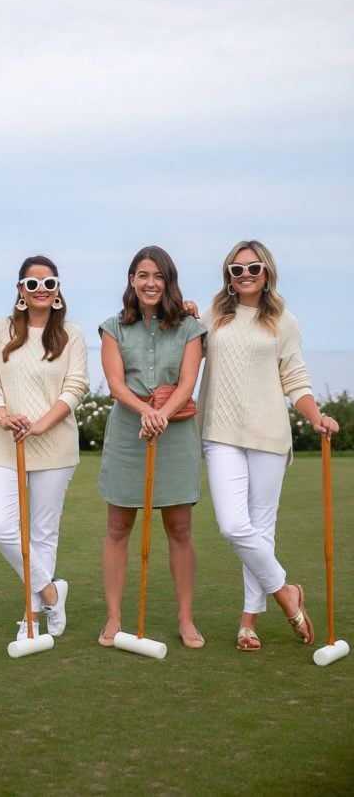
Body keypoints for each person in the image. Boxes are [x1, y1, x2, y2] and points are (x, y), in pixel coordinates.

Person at [198, 239, 339, 651]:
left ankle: (248, 622)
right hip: (219, 433)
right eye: (236, 270)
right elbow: (185, 350)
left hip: (269, 436)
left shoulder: (284, 321)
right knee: (233, 525)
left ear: (267, 273)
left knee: (261, 530)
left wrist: (315, 416)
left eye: (252, 268)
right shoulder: (212, 316)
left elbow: (295, 379)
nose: (244, 276)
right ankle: (286, 592)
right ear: (228, 275)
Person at [97, 246, 207, 649]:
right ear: (131, 280)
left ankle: (186, 619)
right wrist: (146, 411)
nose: (150, 283)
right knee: (117, 528)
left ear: (168, 282)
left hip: (175, 434)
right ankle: (113, 619)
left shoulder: (190, 327)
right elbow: (115, 385)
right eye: (143, 275)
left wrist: (161, 414)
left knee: (179, 529)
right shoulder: (112, 327)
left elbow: (187, 383)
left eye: (158, 276)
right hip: (128, 433)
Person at [0, 255, 90, 641]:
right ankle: (50, 592)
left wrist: (40, 425)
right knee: (0, 528)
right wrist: (3, 413)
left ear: (57, 290)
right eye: (32, 284)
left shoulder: (71, 335)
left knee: (43, 535)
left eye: (48, 283)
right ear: (20, 291)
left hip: (55, 446)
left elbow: (75, 387)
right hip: (6, 442)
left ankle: (33, 616)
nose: (41, 289)